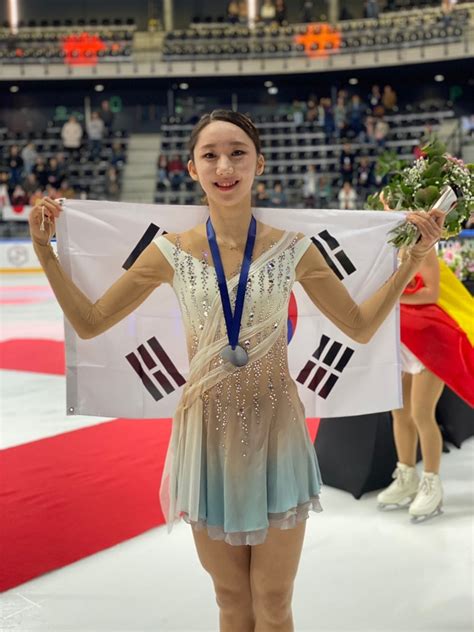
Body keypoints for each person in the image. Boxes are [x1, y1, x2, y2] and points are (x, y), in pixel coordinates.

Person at [29, 110, 444, 632]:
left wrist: (409, 262)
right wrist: (46, 253)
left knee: (273, 603)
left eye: (237, 153)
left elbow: (359, 327)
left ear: (259, 164)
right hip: (206, 443)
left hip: (278, 438)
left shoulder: (295, 250)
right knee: (230, 601)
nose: (224, 165)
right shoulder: (169, 253)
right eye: (211, 155)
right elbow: (90, 322)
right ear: (192, 169)